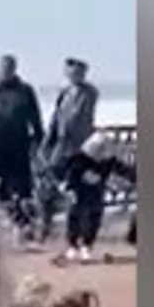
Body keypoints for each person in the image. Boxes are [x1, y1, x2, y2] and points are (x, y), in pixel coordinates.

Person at [0, 54, 45, 237]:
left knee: (22, 186)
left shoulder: (25, 90)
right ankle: (4, 223)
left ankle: (26, 225)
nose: (6, 71)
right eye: (3, 68)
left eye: (9, 68)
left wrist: (40, 139)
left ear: (14, 70)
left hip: (19, 145)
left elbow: (35, 116)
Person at [40, 56, 100, 227]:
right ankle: (47, 221)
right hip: (60, 146)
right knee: (49, 180)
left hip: (79, 147)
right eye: (70, 71)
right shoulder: (64, 92)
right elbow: (56, 116)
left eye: (78, 72)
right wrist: (47, 140)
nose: (74, 75)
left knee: (79, 186)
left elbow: (76, 118)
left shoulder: (89, 93)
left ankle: (78, 224)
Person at [59, 127, 135, 261]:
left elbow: (122, 170)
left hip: (96, 191)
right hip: (79, 189)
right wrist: (70, 189)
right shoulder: (80, 158)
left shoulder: (109, 160)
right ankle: (72, 245)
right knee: (75, 214)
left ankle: (87, 245)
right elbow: (70, 174)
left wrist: (134, 176)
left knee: (94, 216)